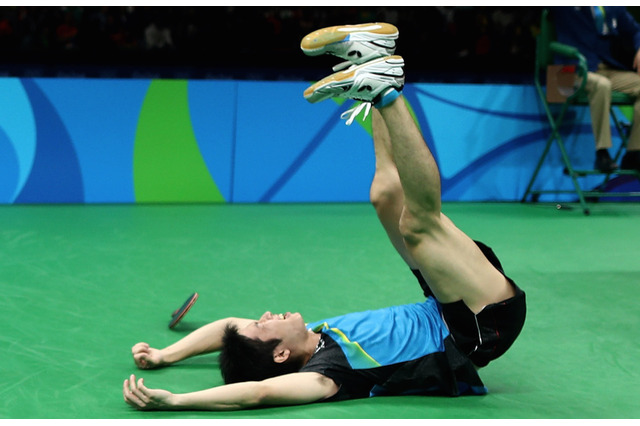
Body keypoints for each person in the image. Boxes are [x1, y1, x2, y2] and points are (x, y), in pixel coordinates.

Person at [122, 22, 526, 411]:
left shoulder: (312, 333)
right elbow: (257, 395)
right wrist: (176, 400)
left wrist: (164, 355)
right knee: (417, 226)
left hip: (444, 301)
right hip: (478, 326)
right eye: (263, 326)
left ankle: (376, 63)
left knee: (385, 195)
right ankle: (385, 92)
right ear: (281, 354)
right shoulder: (328, 373)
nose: (263, 315)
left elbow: (228, 325)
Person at [552, 6, 640, 173]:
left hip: (606, 68)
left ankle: (634, 153)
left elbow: (635, 30)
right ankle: (602, 153)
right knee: (601, 85)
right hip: (569, 71)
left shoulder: (611, 6)